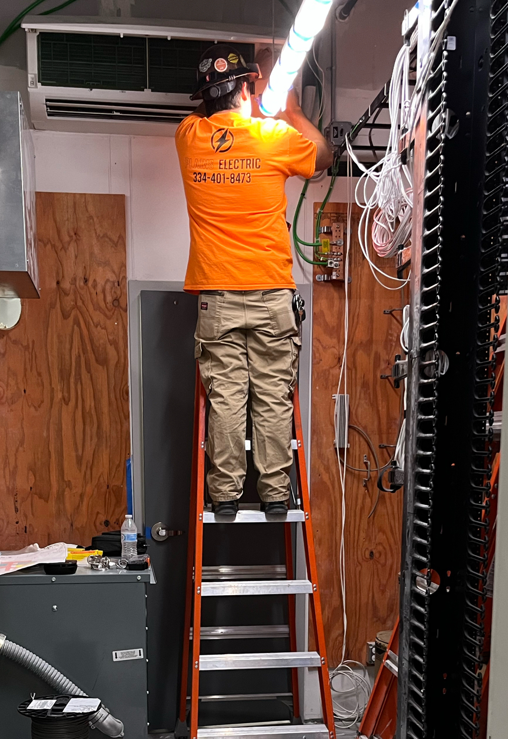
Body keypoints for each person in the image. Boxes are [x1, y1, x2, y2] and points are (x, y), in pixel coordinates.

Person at [175, 43, 333, 517]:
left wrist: (248, 83)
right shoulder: (273, 137)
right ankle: (275, 495)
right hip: (270, 294)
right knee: (270, 395)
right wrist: (290, 108)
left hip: (217, 296)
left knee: (226, 398)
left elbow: (210, 110)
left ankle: (223, 497)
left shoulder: (188, 137)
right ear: (247, 91)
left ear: (204, 100)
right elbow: (324, 156)